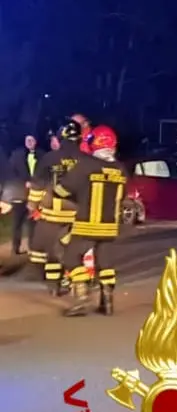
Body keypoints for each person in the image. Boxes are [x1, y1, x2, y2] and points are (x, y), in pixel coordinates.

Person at [56, 128, 126, 316]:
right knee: (105, 263)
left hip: (86, 224)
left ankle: (81, 299)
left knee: (71, 257)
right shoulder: (120, 169)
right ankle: (107, 303)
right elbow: (122, 196)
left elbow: (62, 190)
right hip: (110, 226)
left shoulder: (85, 164)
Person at [26, 121, 94, 295]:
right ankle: (74, 280)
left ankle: (54, 285)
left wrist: (32, 205)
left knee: (50, 250)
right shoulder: (87, 160)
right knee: (71, 249)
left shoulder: (49, 158)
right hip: (78, 213)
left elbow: (37, 185)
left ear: (61, 138)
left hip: (52, 214)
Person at [5, 135, 41, 257]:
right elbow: (10, 172)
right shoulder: (17, 155)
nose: (30, 142)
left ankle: (32, 247)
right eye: (27, 140)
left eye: (32, 140)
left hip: (36, 194)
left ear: (36, 141)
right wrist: (24, 181)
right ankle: (16, 248)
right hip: (20, 193)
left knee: (33, 221)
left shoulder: (42, 154)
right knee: (17, 222)